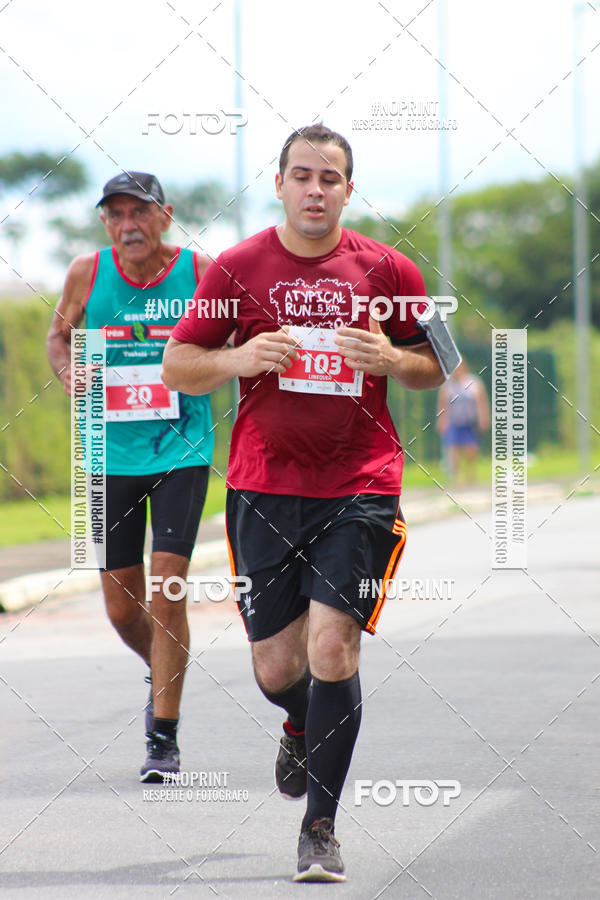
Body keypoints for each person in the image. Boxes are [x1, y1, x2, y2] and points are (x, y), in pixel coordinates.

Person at [162, 125, 451, 882]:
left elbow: (440, 366)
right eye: (302, 176)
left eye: (330, 177)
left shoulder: (389, 269)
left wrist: (392, 358)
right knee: (275, 665)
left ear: (349, 190)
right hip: (263, 488)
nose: (315, 189)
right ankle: (299, 721)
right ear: (281, 184)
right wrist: (237, 357)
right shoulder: (238, 266)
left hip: (360, 485)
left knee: (333, 648)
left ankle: (319, 829)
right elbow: (178, 363)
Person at [47, 171, 214, 782]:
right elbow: (58, 335)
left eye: (139, 213)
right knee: (122, 610)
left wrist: (211, 367)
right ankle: (167, 668)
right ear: (104, 223)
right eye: (116, 215)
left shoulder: (200, 272)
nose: (128, 226)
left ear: (165, 216)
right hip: (102, 452)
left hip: (180, 448)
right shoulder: (86, 273)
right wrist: (68, 372)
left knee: (168, 584)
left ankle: (162, 737)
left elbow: (231, 338)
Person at [437, 359, 490, 485]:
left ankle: (470, 475)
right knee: (453, 450)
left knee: (471, 450)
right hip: (454, 422)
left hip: (469, 422)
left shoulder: (474, 382)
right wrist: (441, 420)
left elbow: (481, 402)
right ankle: (456, 478)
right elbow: (443, 405)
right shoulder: (448, 385)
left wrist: (484, 417)